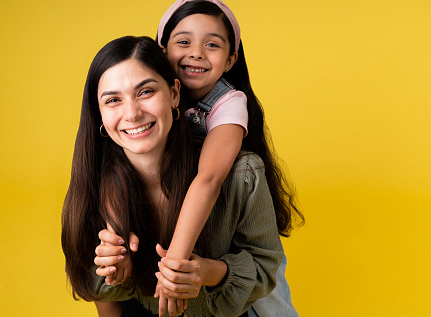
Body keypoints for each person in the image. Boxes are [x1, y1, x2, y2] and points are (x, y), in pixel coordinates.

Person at [61, 36, 284, 317]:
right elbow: (98, 293)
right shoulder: (91, 183)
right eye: (113, 100)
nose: (132, 113)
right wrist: (111, 271)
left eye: (145, 92)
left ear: (175, 93)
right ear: (99, 114)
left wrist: (206, 271)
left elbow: (265, 270)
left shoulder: (242, 174)